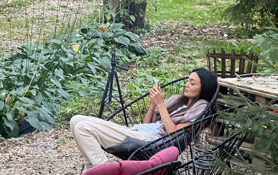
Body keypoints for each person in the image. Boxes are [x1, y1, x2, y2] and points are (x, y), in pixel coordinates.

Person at [70, 68, 218, 166]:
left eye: (192, 83)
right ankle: (92, 169)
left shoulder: (200, 108)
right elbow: (147, 123)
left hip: (152, 143)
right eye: (187, 80)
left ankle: (105, 173)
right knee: (75, 120)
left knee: (83, 128)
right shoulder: (180, 102)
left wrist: (161, 104)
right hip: (140, 133)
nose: (186, 85)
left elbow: (173, 133)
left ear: (203, 88)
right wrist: (154, 105)